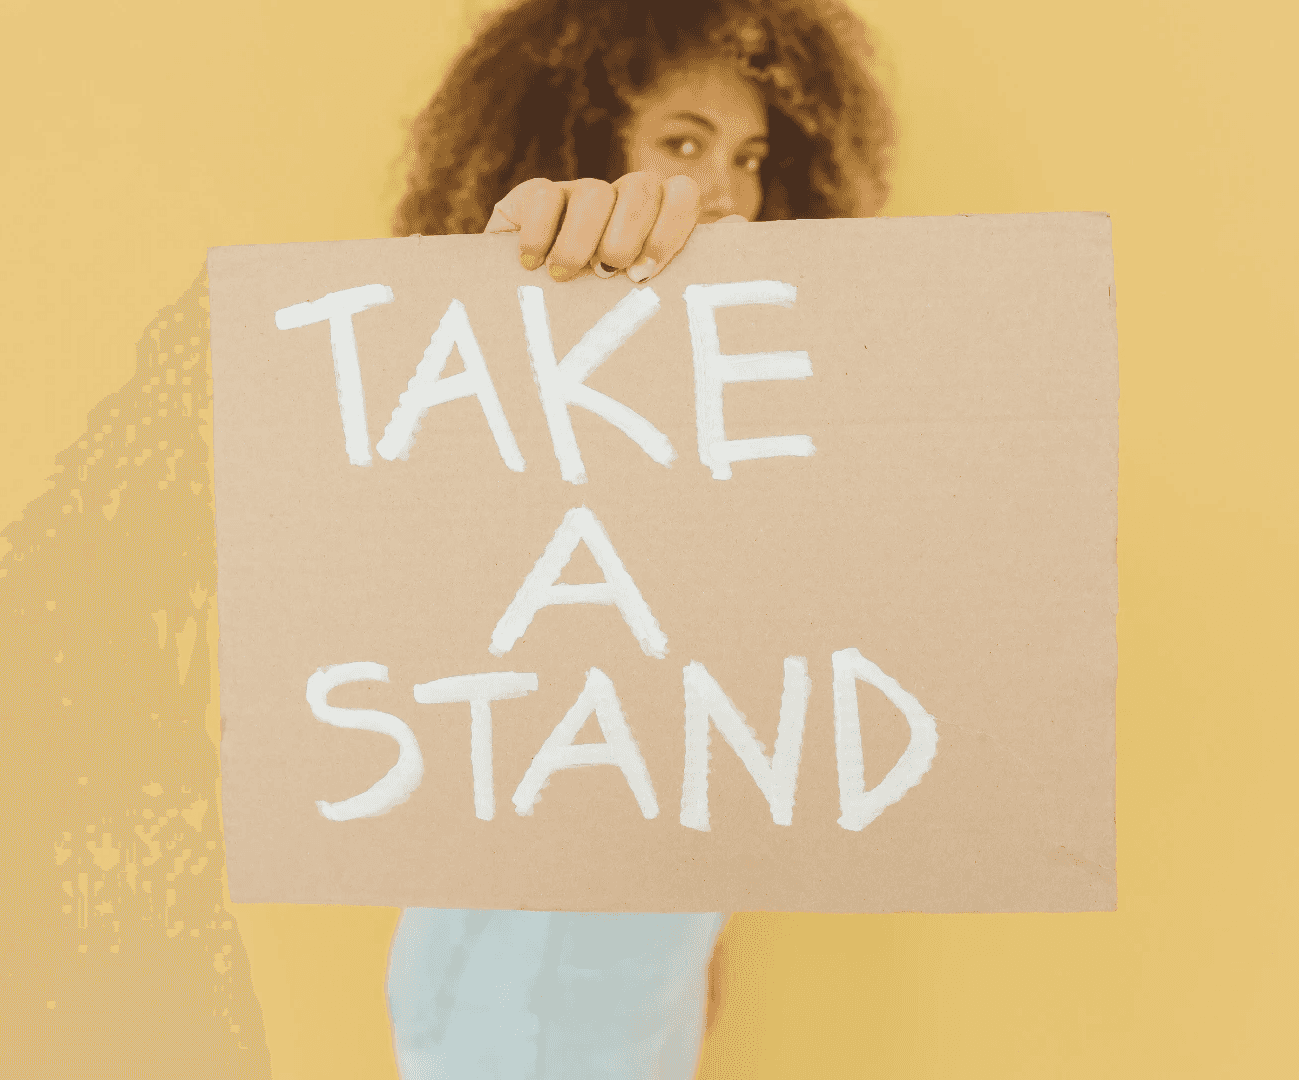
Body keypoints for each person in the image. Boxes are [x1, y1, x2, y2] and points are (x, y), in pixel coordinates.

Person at [385, 2, 894, 1077]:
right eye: (679, 142)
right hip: (519, 983)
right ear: (575, 144)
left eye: (749, 156)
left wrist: (697, 934)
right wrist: (539, 250)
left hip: (640, 960)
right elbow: (493, 498)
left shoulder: (706, 400)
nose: (725, 189)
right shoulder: (551, 354)